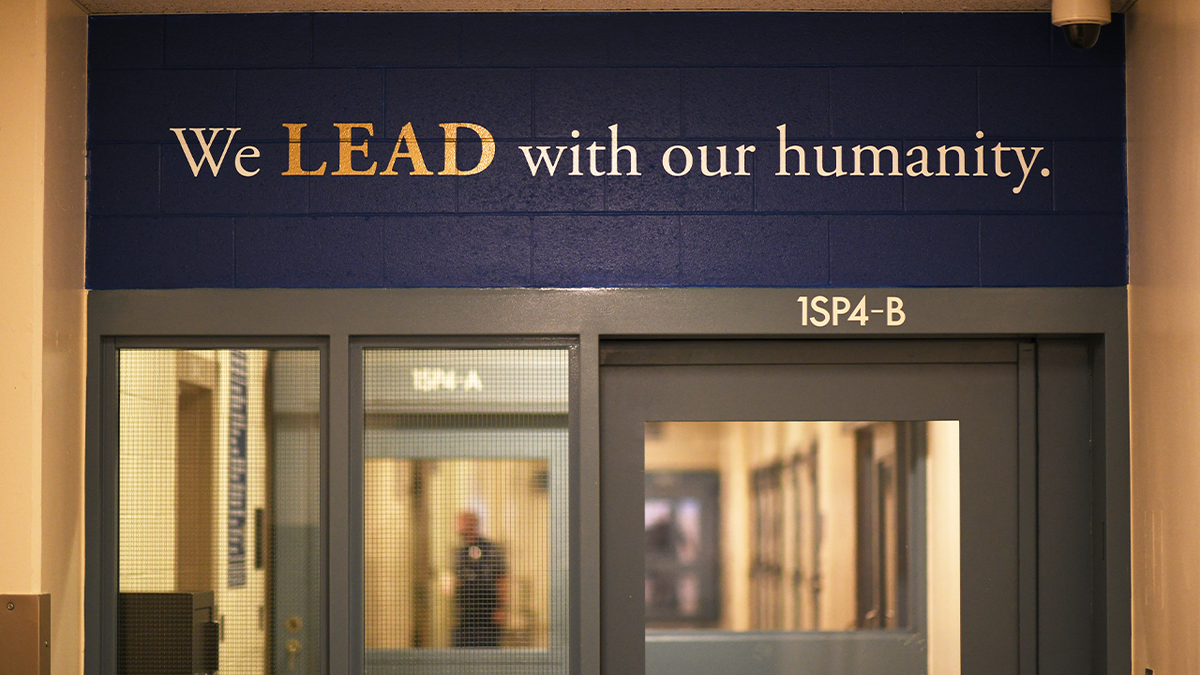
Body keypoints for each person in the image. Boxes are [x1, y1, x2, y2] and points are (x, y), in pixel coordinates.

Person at [453, 511, 508, 648]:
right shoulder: (462, 551)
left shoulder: (489, 548)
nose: (457, 525)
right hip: (466, 613)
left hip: (486, 612)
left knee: (486, 650)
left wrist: (501, 608)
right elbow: (458, 578)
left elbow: (501, 578)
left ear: (471, 524)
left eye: (461, 521)